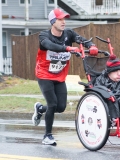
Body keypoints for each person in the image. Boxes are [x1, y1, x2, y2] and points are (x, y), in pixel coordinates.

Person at [31, 8, 98, 145]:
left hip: (59, 76)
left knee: (60, 107)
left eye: (64, 19)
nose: (63, 22)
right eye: (60, 19)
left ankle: (39, 109)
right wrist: (67, 48)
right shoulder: (44, 35)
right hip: (44, 75)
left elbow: (82, 40)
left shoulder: (69, 34)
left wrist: (91, 46)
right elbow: (49, 45)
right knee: (52, 104)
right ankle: (47, 136)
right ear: (53, 21)